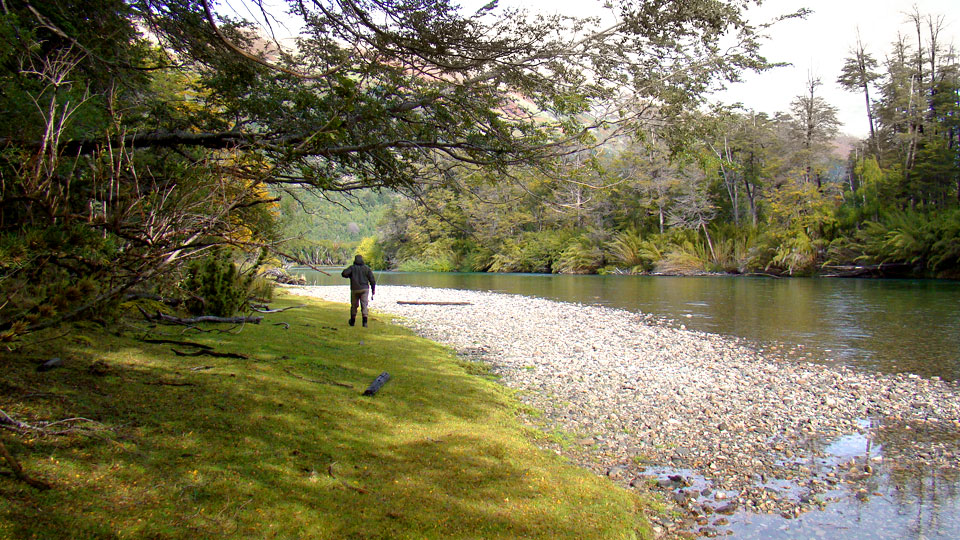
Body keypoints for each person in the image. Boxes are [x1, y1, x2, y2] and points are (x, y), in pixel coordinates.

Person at [341, 254, 376, 327]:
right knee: (364, 305)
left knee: (354, 305)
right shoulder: (367, 268)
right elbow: (372, 280)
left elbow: (344, 274)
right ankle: (365, 323)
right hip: (364, 289)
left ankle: (352, 321)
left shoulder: (352, 268)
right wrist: (373, 290)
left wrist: (350, 275)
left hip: (355, 289)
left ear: (355, 260)